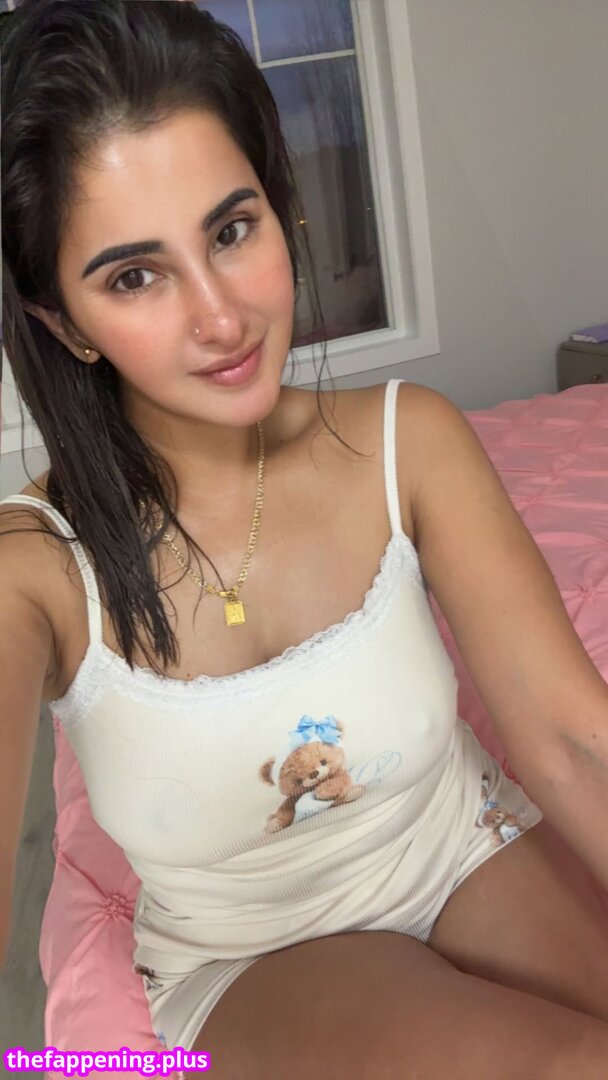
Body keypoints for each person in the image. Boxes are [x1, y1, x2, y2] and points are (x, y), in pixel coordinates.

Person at [1, 2, 607, 1077]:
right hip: (253, 952)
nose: (221, 317)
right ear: (63, 323)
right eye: (135, 275)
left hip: (461, 841)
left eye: (231, 232)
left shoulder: (409, 438)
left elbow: (569, 739)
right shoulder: (33, 568)